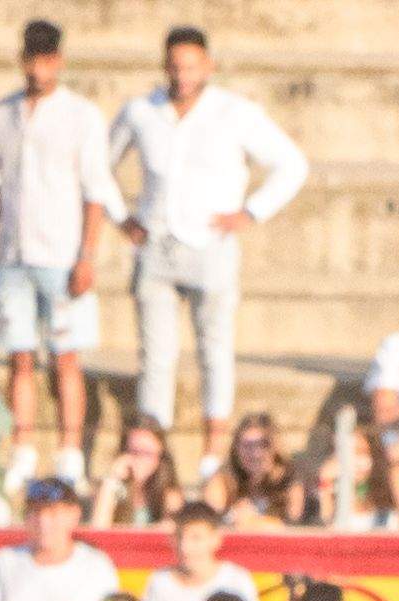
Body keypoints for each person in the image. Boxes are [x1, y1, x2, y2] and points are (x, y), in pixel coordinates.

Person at [104, 26, 304, 486]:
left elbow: (291, 164)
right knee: (156, 355)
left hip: (212, 244)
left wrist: (251, 212)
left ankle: (214, 450)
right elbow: (100, 164)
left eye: (192, 66)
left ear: (208, 66)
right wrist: (121, 216)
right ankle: (153, 452)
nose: (183, 75)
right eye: (175, 65)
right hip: (156, 242)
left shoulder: (234, 112)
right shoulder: (142, 111)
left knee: (214, 349)